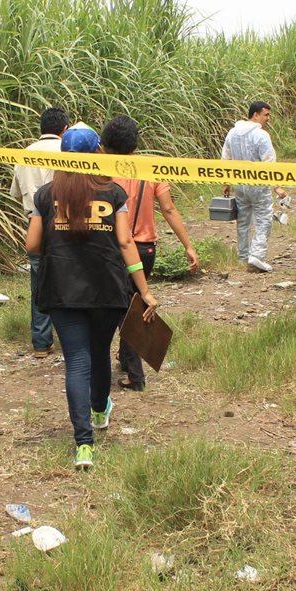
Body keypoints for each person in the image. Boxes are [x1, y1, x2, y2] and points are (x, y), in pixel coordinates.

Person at [26, 126, 159, 470]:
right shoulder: (113, 194)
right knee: (99, 355)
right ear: (96, 155)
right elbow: (127, 243)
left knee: (76, 362)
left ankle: (83, 445)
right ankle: (100, 411)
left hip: (61, 290)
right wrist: (144, 290)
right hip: (107, 289)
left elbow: (32, 246)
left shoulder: (44, 196)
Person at [100, 114, 197, 391]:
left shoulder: (101, 169)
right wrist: (188, 245)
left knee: (125, 311)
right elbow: (168, 209)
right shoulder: (150, 168)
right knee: (135, 306)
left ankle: (135, 374)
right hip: (146, 248)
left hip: (116, 247)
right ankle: (128, 362)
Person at [10, 107, 69, 358]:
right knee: (68, 281)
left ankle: (41, 342)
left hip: (34, 222)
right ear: (64, 129)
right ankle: (70, 338)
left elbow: (15, 192)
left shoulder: (24, 154)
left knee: (39, 283)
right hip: (64, 223)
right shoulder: (68, 152)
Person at [221, 101, 280, 272]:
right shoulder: (261, 136)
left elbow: (226, 159)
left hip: (240, 185)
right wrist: (276, 186)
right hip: (259, 185)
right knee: (264, 219)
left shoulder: (232, 133)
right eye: (266, 115)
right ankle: (257, 255)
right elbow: (269, 163)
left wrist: (226, 183)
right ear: (256, 115)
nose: (268, 118)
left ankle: (243, 255)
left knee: (243, 220)